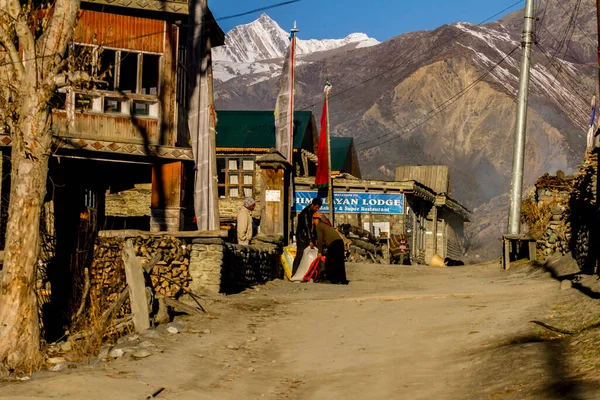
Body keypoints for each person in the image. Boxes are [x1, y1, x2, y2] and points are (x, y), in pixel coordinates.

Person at [313, 211, 348, 284]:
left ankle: (332, 279)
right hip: (339, 242)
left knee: (329, 262)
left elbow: (320, 240)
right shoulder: (327, 225)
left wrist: (319, 252)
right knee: (339, 262)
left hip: (333, 244)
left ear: (317, 219)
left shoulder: (319, 226)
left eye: (314, 219)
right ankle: (342, 280)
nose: (313, 221)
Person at [292, 197, 322, 275]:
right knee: (300, 255)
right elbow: (307, 227)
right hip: (302, 237)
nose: (317, 209)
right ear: (312, 205)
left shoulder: (311, 212)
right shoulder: (305, 213)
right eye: (316, 207)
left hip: (307, 237)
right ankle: (294, 274)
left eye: (318, 208)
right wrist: (310, 240)